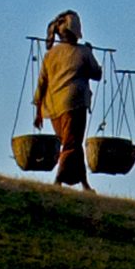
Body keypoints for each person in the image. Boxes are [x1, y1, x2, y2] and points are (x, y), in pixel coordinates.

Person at [34, 10, 102, 189]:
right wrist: (91, 52)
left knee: (72, 143)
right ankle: (58, 180)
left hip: (53, 108)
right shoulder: (82, 52)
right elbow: (97, 73)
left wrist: (38, 111)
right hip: (74, 104)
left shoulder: (51, 54)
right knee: (71, 144)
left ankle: (84, 183)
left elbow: (42, 83)